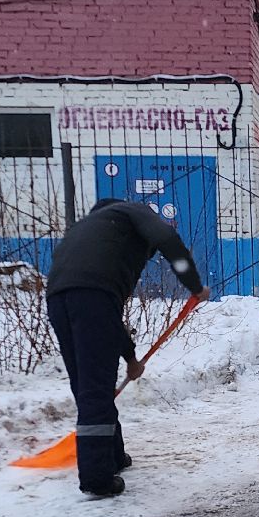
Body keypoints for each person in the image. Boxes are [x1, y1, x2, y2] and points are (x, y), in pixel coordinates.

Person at [46, 197, 206, 498]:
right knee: (96, 390)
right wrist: (195, 285)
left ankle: (112, 456)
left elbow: (105, 313)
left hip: (58, 299)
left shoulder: (87, 230)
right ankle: (97, 478)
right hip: (94, 298)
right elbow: (169, 240)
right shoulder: (133, 211)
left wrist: (131, 358)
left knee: (88, 385)